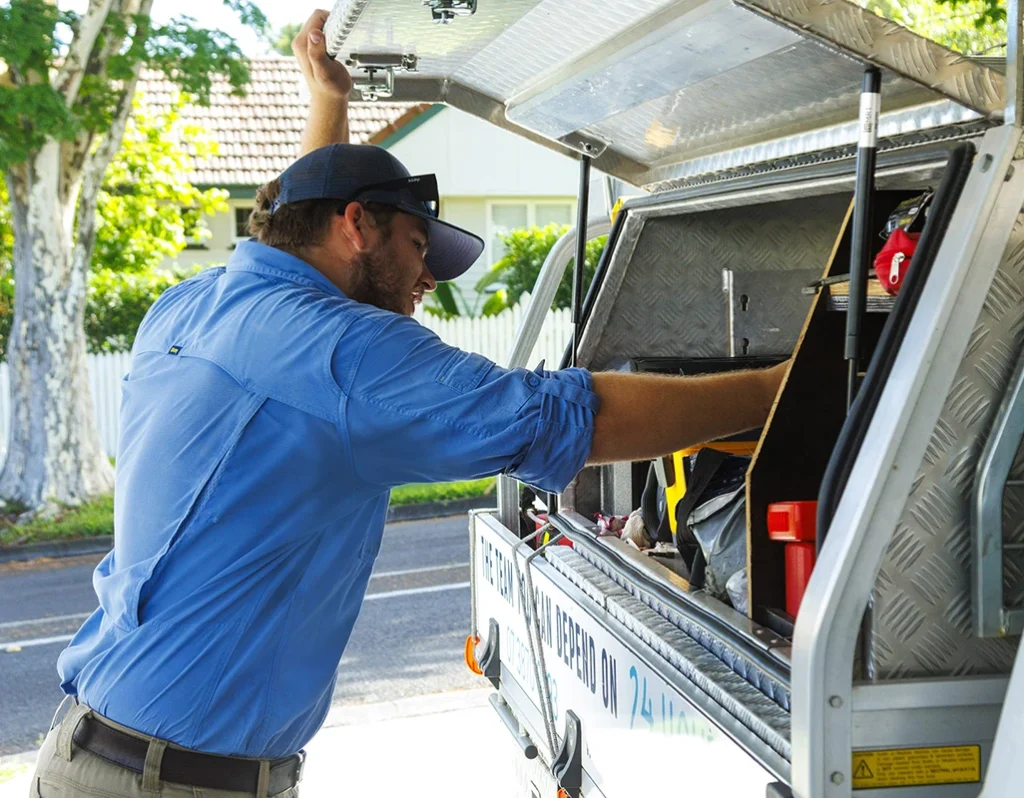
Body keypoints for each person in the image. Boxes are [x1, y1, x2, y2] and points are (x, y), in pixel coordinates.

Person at [30, 10, 788, 798]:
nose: (427, 279)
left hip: (101, 752)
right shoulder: (344, 352)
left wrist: (326, 107)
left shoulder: (199, 305)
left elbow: (294, 236)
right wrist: (776, 391)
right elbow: (566, 418)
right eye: (419, 248)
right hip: (170, 786)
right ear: (358, 226)